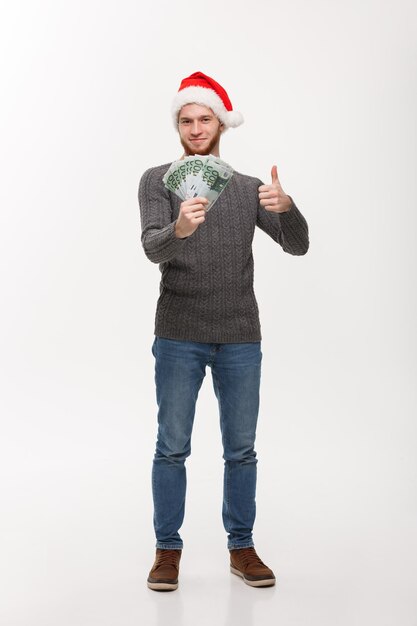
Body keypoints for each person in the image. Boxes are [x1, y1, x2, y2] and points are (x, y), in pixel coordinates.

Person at [138, 71, 309, 591]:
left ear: (219, 124)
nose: (195, 128)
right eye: (186, 120)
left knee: (241, 448)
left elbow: (297, 245)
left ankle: (242, 547)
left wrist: (289, 207)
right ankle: (168, 550)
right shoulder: (156, 180)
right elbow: (152, 247)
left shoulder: (247, 188)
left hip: (239, 333)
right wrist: (181, 228)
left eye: (204, 118)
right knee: (172, 446)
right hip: (178, 330)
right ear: (178, 125)